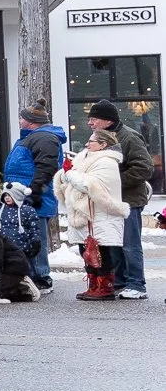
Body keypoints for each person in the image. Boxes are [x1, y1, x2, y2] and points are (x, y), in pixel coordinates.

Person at [86, 100, 152, 300]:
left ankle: (137, 285)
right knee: (114, 244)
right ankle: (120, 281)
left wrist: (113, 183)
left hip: (128, 201)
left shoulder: (129, 137)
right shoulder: (98, 138)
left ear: (107, 121)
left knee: (130, 245)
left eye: (94, 119)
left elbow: (144, 168)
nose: (90, 123)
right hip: (110, 202)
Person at [2, 104, 68, 293]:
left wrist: (35, 191)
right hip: (23, 197)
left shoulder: (43, 137)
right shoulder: (33, 137)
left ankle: (41, 278)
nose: (20, 121)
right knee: (28, 237)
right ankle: (31, 276)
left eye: (22, 118)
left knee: (35, 238)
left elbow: (46, 168)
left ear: (31, 121)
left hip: (33, 198)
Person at [62, 128, 129, 300]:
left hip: (100, 214)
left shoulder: (107, 162)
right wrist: (65, 174)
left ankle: (104, 287)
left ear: (103, 144)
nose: (86, 144)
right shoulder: (85, 158)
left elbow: (89, 186)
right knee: (86, 250)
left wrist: (70, 174)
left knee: (101, 251)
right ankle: (93, 285)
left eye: (91, 141)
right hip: (85, 214)